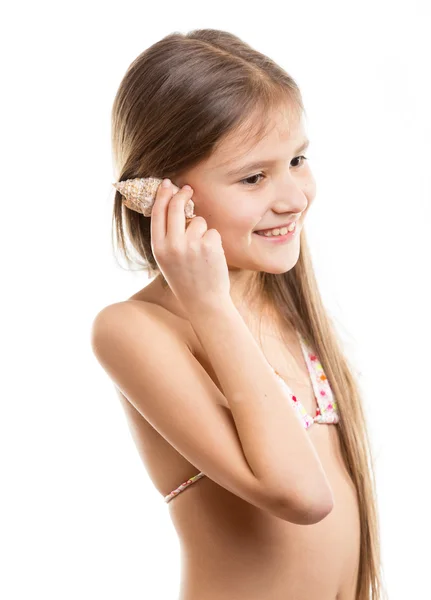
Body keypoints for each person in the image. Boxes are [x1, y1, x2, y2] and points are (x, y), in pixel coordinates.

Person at [90, 28, 387, 600]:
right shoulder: (133, 330)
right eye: (254, 177)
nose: (293, 197)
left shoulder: (286, 303)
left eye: (297, 159)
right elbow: (302, 496)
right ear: (155, 194)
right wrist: (209, 304)